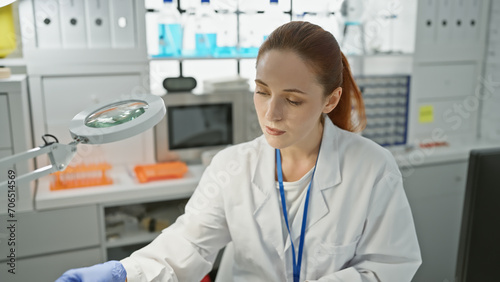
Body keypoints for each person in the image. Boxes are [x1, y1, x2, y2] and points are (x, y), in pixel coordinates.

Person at [56, 21, 421, 282]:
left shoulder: (372, 168)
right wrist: (125, 273)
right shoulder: (232, 166)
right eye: (262, 91)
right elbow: (189, 243)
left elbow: (389, 266)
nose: (270, 114)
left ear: (331, 99)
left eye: (292, 100)